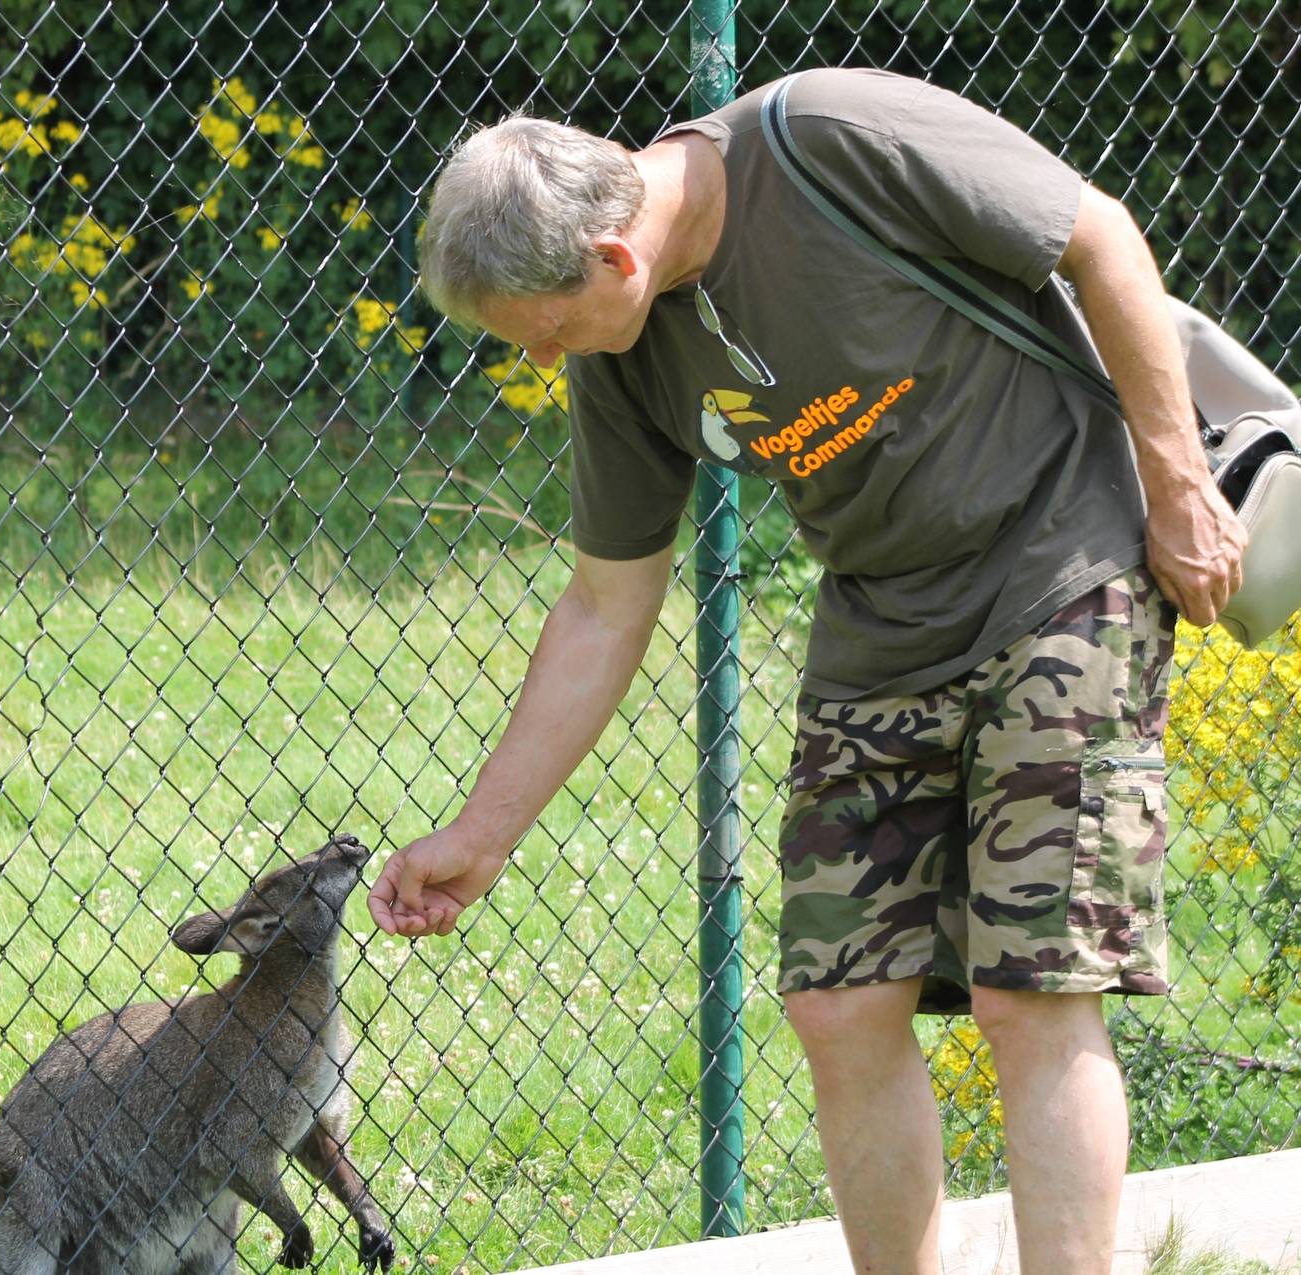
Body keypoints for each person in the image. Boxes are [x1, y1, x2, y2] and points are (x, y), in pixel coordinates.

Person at [367, 67, 1246, 1275]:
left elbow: (1100, 237)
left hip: (1064, 563)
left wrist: (1177, 484)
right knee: (837, 1000)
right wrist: (485, 833)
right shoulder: (619, 354)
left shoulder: (830, 138)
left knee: (1032, 991)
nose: (544, 357)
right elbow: (605, 606)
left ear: (616, 259)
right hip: (881, 626)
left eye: (547, 330)